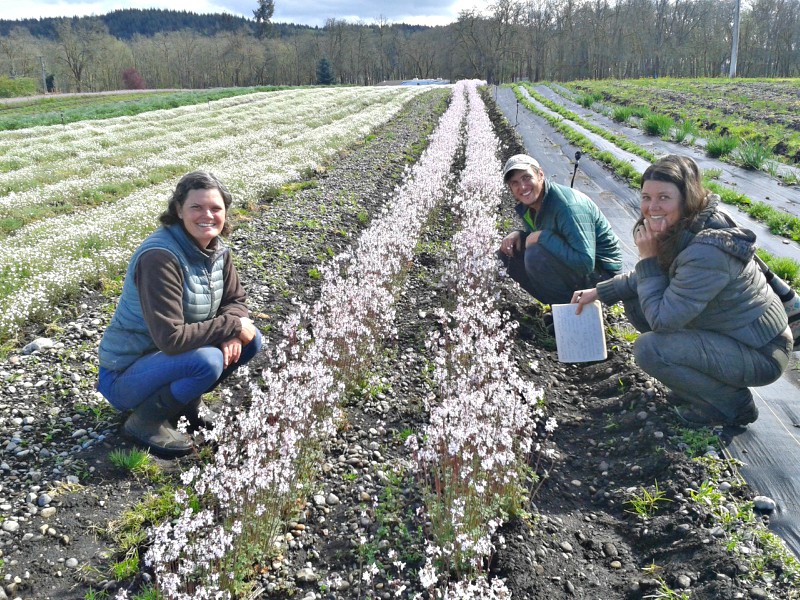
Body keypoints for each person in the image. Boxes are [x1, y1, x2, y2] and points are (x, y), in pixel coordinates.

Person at [572, 155, 791, 427]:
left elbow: (663, 321)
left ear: (686, 198)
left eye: (664, 197)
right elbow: (660, 275)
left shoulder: (707, 250)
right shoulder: (686, 226)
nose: (652, 207)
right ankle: (699, 385)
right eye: (646, 197)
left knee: (650, 349)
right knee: (637, 300)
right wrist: (600, 291)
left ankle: (733, 405)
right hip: (731, 333)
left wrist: (647, 260)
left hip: (760, 350)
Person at [98, 171, 262, 456]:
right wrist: (232, 325)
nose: (207, 215)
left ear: (225, 212)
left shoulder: (215, 249)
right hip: (125, 376)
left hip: (166, 361)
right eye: (196, 207)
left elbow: (236, 299)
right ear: (178, 210)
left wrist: (234, 329)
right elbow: (171, 339)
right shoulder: (160, 258)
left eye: (215, 208)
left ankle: (185, 407)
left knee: (252, 339)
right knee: (208, 360)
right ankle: (144, 422)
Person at [497, 154, 623, 305]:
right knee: (508, 252)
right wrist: (520, 235)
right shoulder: (532, 205)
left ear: (540, 175)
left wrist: (542, 237)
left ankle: (569, 314)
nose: (522, 187)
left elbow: (585, 262)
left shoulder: (568, 207)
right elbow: (552, 235)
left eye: (526, 177)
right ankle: (557, 306)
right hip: (578, 265)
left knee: (535, 256)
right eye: (515, 183)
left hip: (603, 276)